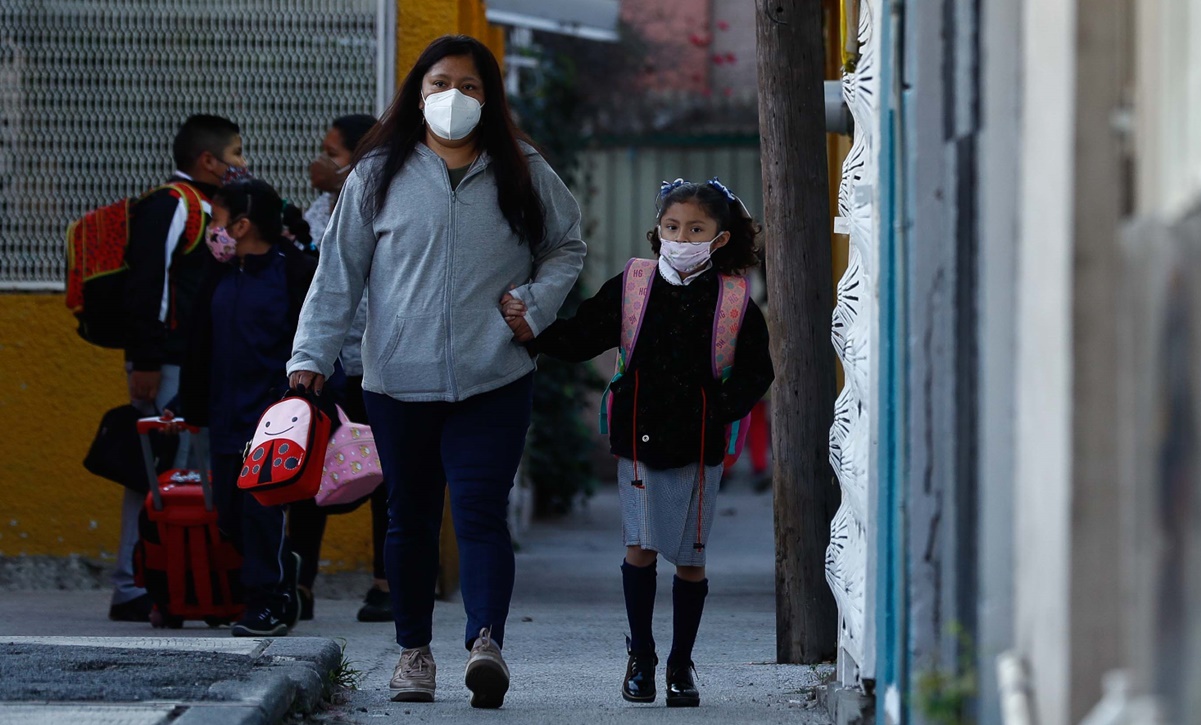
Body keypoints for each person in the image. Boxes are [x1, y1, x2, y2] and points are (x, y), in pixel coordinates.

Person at [286, 35, 586, 709]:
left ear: (490, 96)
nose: (455, 97)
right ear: (417, 93)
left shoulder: (524, 169)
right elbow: (338, 274)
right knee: (409, 518)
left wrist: (533, 308)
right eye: (440, 83)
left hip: (495, 375)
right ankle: (412, 652)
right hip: (396, 379)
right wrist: (309, 356)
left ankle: (485, 644)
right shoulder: (376, 174)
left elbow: (566, 244)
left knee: (480, 513)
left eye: (471, 86)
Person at [519, 178, 774, 708]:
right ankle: (642, 658)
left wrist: (719, 411)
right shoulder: (633, 284)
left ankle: (682, 664)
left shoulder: (733, 298)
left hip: (700, 444)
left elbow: (757, 371)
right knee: (638, 550)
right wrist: (533, 333)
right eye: (672, 226)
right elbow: (585, 333)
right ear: (658, 229)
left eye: (696, 229)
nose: (682, 237)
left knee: (690, 558)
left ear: (720, 238)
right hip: (636, 436)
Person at [109, 114, 245, 622]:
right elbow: (149, 284)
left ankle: (181, 580)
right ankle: (131, 586)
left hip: (191, 367)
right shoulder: (171, 206)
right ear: (207, 160)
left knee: (185, 476)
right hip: (163, 364)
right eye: (235, 154)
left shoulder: (214, 209)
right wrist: (145, 359)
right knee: (156, 475)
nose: (242, 163)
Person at [177, 178, 317, 636]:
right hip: (224, 417)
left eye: (216, 220)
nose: (211, 229)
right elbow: (200, 348)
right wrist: (186, 404)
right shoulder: (219, 272)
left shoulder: (292, 272)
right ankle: (282, 568)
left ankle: (267, 602)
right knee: (229, 518)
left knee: (260, 513)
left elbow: (311, 340)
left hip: (273, 419)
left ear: (241, 225)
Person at [288, 112, 394, 624]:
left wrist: (346, 188)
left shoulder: (383, 201)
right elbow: (320, 271)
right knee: (308, 472)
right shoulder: (316, 210)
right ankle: (300, 581)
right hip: (326, 366)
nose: (321, 162)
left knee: (388, 477)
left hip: (375, 364)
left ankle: (385, 581)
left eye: (334, 153)